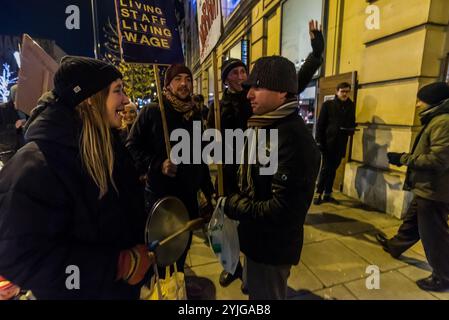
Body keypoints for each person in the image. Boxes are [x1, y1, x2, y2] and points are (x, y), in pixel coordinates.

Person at [0, 56, 154, 299]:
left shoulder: (111, 147)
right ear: (91, 100)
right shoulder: (37, 165)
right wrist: (118, 265)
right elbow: (20, 257)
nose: (126, 100)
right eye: (118, 91)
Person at [222, 55, 321, 300]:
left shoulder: (293, 139)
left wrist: (233, 205)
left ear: (282, 92)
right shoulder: (264, 126)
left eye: (257, 87)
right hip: (257, 241)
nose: (249, 94)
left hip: (271, 249)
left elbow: (283, 210)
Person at [126, 64, 214, 276]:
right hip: (162, 197)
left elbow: (199, 155)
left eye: (188, 79)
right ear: (167, 84)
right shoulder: (153, 112)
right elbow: (131, 147)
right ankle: (163, 286)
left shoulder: (194, 113)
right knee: (162, 250)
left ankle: (179, 282)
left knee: (182, 245)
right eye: (177, 79)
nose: (184, 83)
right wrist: (158, 164)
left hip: (188, 196)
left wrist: (208, 191)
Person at [376, 81, 449, 292]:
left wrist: (403, 158)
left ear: (433, 101)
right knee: (413, 221)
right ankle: (395, 246)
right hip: (428, 188)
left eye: (421, 100)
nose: (417, 105)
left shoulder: (443, 122)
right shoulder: (436, 119)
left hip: (436, 190)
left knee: (433, 235)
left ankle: (443, 276)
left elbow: (438, 160)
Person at [206, 57, 252, 290]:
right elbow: (208, 139)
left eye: (243, 71)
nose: (240, 76)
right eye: (234, 73)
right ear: (225, 80)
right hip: (229, 171)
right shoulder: (218, 106)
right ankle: (233, 267)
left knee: (250, 223)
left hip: (253, 169)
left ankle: (251, 271)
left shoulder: (254, 98)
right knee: (229, 223)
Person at [314, 82, 356, 205]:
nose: (345, 94)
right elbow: (321, 124)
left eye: (347, 91)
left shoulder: (350, 105)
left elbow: (352, 121)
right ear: (337, 91)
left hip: (341, 142)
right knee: (326, 168)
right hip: (328, 142)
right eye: (342, 91)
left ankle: (328, 193)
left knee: (333, 169)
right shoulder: (328, 105)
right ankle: (318, 193)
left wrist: (351, 129)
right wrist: (319, 140)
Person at [0, 84, 26, 163]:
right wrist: (14, 126)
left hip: (24, 148)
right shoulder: (2, 109)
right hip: (8, 149)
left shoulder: (26, 108)